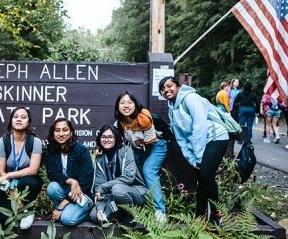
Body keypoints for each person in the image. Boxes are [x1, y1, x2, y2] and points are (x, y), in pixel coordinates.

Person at [159, 76, 229, 225]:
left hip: (216, 138)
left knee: (204, 174)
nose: (166, 90)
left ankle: (216, 214)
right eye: (163, 89)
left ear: (178, 86)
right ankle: (200, 215)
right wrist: (192, 159)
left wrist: (198, 157)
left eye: (169, 86)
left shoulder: (191, 99)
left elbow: (200, 127)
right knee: (202, 178)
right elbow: (181, 138)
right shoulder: (172, 109)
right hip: (200, 145)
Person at [114, 91, 167, 222]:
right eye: (122, 103)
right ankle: (141, 205)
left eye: (129, 102)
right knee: (132, 172)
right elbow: (114, 139)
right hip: (138, 147)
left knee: (148, 170)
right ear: (118, 107)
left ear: (135, 104)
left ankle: (160, 211)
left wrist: (138, 159)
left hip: (155, 145)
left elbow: (149, 143)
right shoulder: (120, 122)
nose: (126, 106)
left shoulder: (143, 118)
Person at [0, 107, 43, 229]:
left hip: (28, 182)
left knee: (28, 182)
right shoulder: (2, 142)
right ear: (11, 120)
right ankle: (17, 206)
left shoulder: (35, 141)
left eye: (23, 117)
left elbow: (33, 170)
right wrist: (14, 196)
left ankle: (28, 209)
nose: (19, 119)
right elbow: (1, 172)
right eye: (16, 117)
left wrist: (9, 175)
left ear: (28, 122)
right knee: (5, 219)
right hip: (7, 184)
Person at [90, 124, 147, 224]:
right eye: (103, 137)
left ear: (116, 138)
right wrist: (100, 207)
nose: (106, 140)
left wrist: (104, 187)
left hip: (134, 192)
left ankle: (131, 215)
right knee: (95, 216)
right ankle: (120, 212)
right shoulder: (99, 157)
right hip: (112, 197)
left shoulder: (126, 151)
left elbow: (129, 177)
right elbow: (99, 186)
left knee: (117, 189)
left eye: (110, 137)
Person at [43, 118, 94, 226]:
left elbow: (86, 182)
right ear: (53, 133)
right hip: (67, 191)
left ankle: (88, 211)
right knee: (52, 187)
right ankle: (67, 210)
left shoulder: (81, 150)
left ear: (71, 133)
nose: (61, 134)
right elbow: (53, 175)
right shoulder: (51, 151)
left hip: (83, 195)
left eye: (65, 130)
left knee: (67, 220)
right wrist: (72, 181)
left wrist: (61, 206)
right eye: (57, 130)